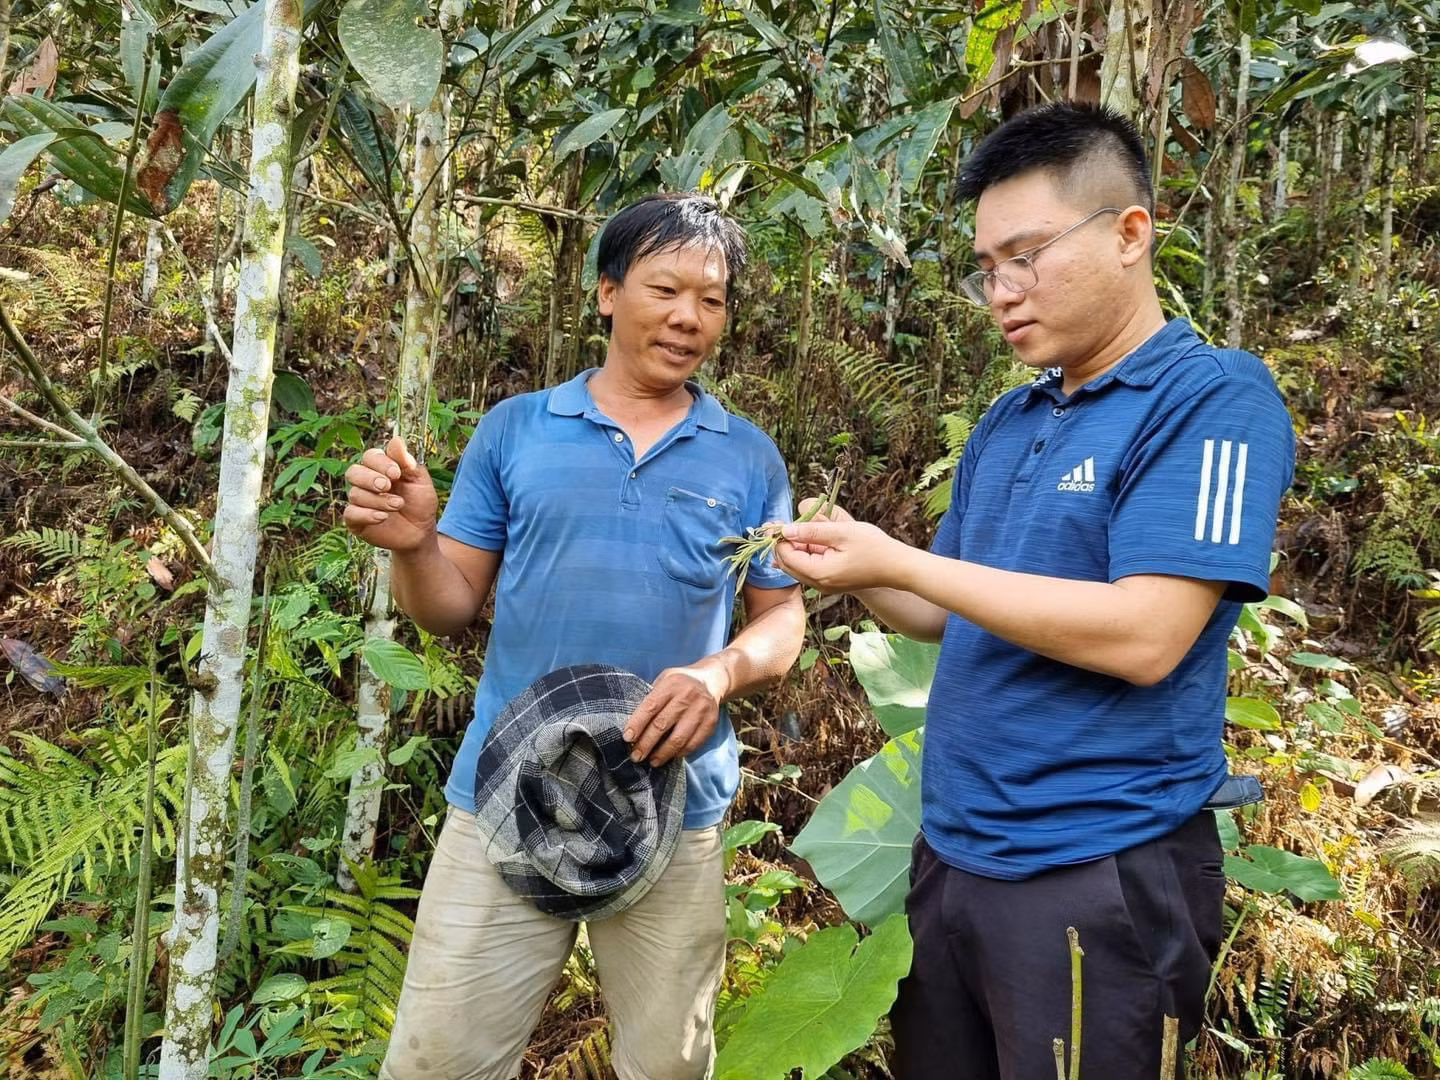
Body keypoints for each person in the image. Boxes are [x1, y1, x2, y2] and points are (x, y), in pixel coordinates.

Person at [774, 102, 1295, 1079]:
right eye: (987, 267)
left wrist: (900, 560)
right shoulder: (1012, 420)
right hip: (954, 856)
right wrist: (859, 564)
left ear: (1131, 233)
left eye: (1028, 255)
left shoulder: (1213, 398)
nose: (1003, 292)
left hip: (1097, 870)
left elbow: (1148, 637)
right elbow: (938, 608)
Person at [345, 192, 805, 1080]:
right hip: (506, 795)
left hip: (673, 808)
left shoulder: (748, 457)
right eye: (665, 289)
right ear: (605, 293)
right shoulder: (516, 430)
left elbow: (780, 618)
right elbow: (449, 608)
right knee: (437, 1062)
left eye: (712, 301)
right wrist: (411, 546)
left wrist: (718, 675)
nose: (688, 318)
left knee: (668, 1067)